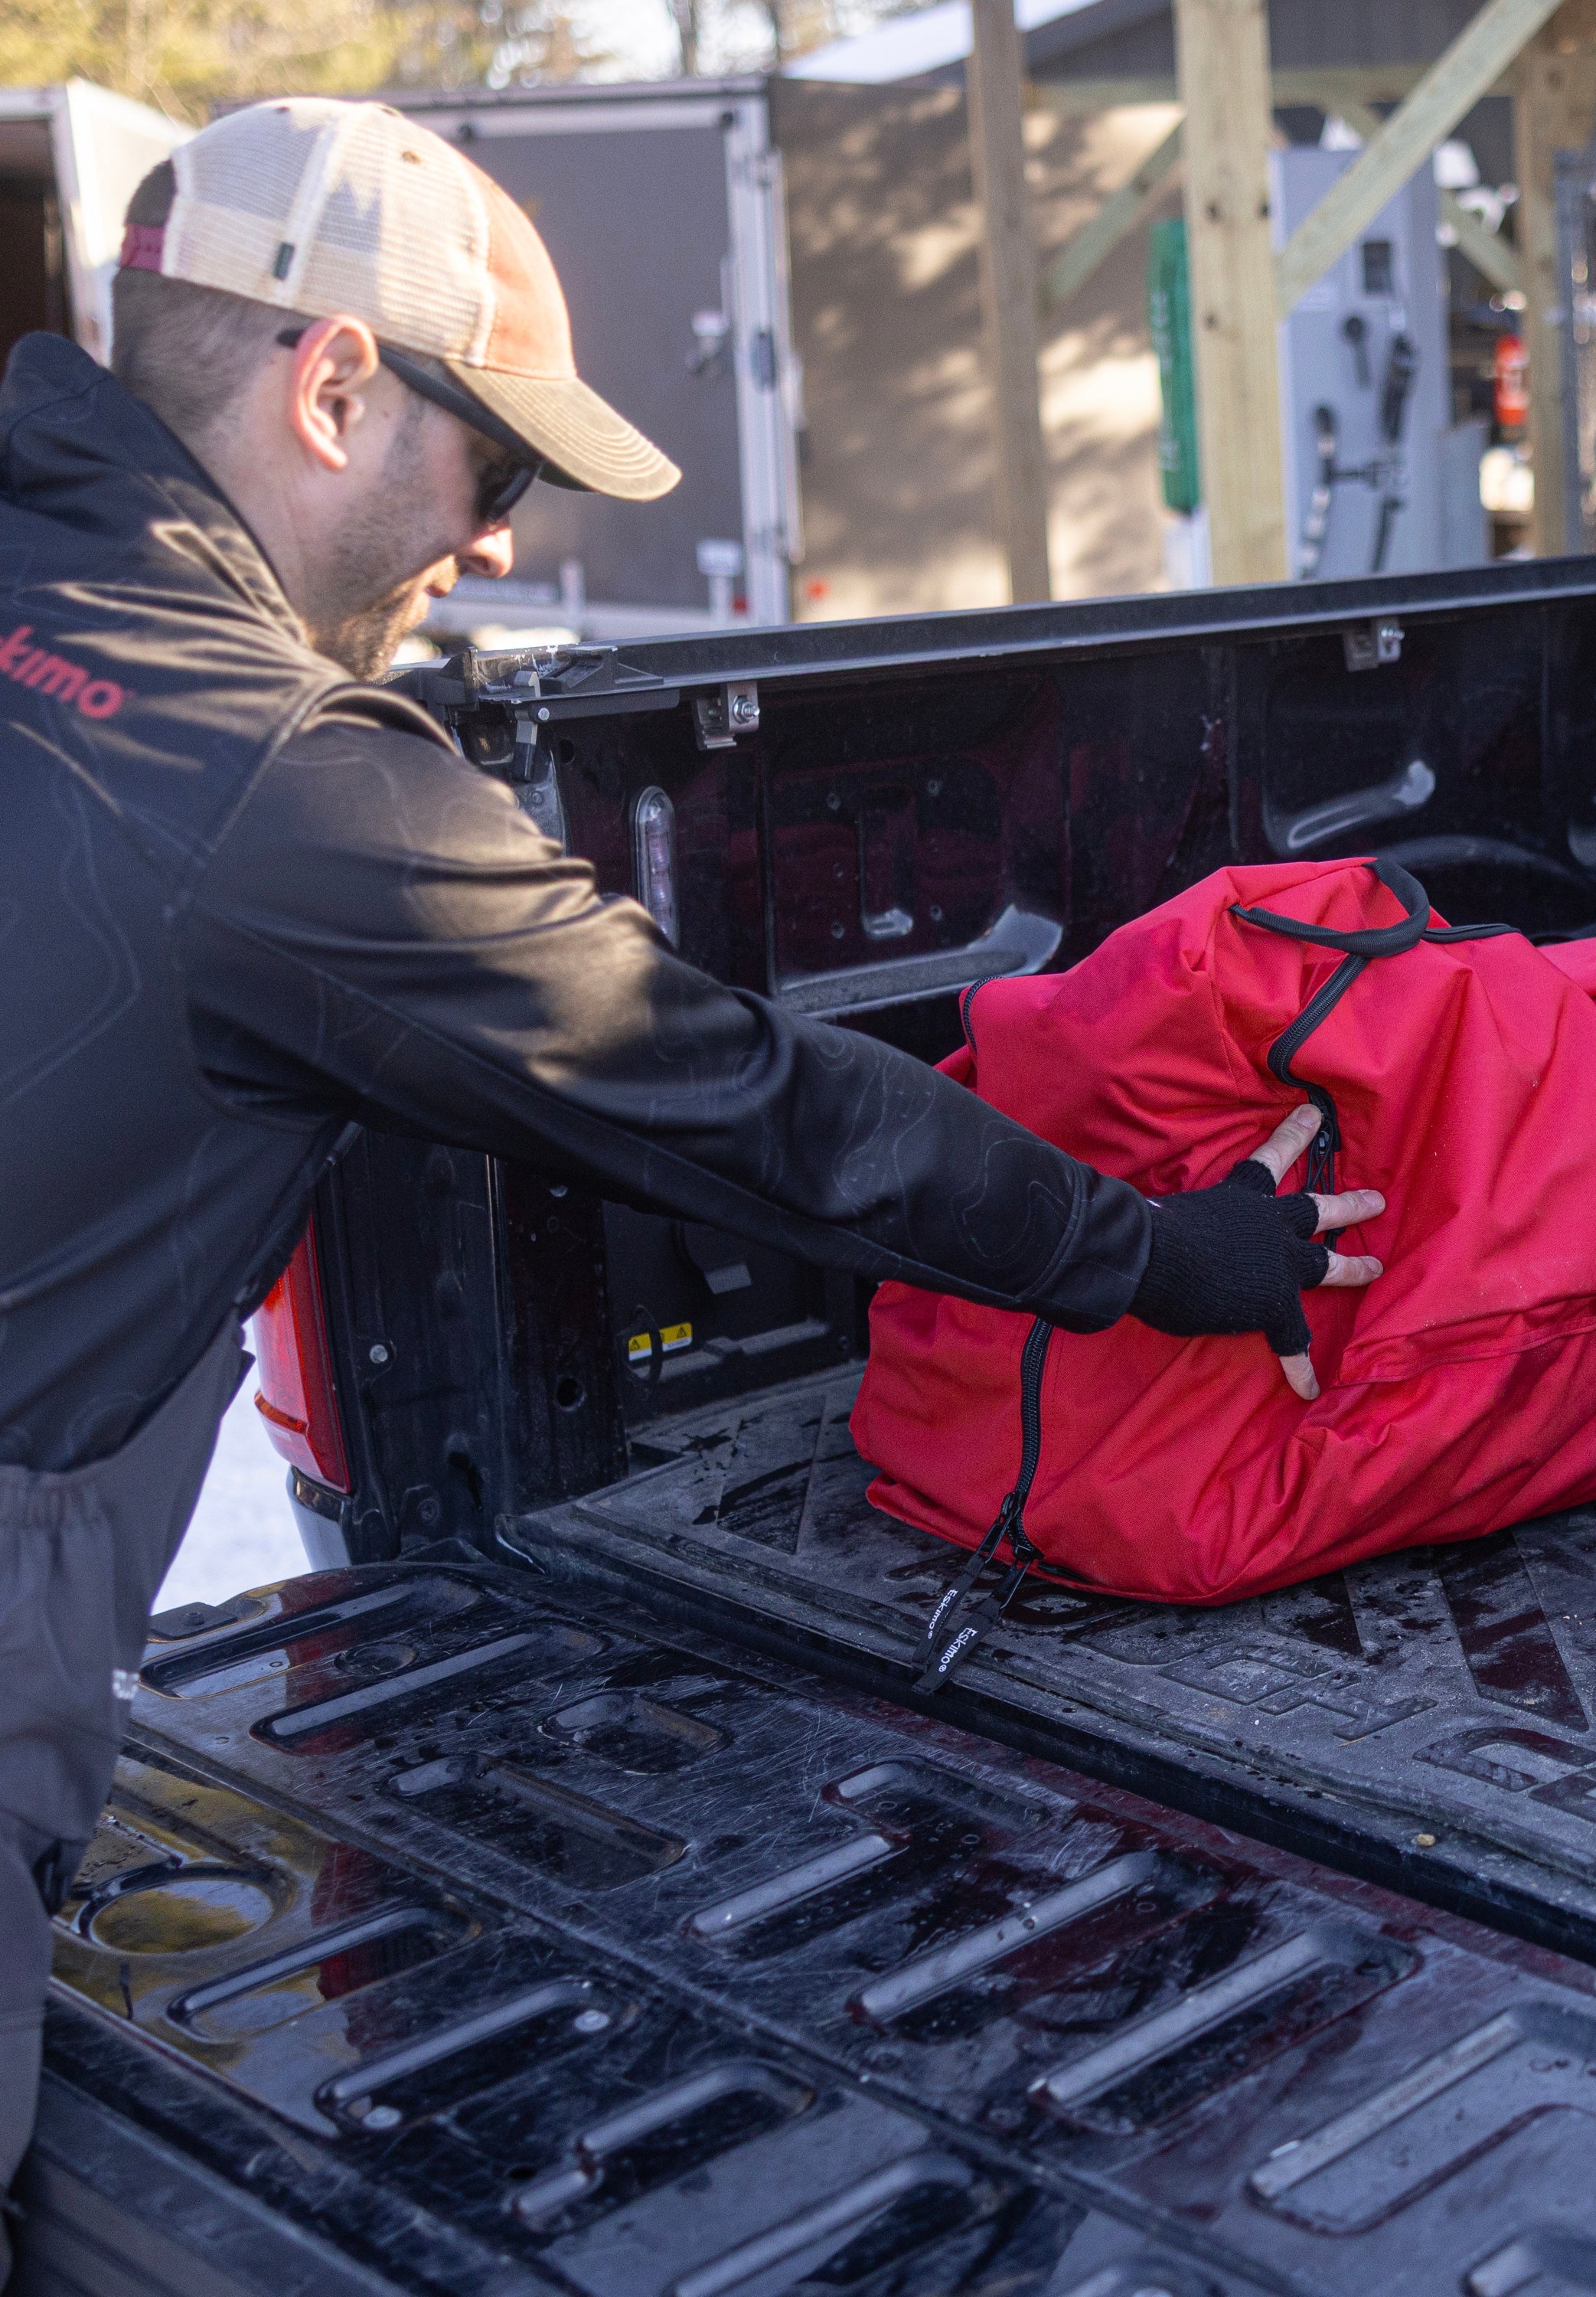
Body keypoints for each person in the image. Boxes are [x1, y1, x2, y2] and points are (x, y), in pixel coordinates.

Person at [0, 96, 1390, 2246]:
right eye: (501, 470)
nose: (494, 549)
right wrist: (1176, 1257)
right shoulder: (274, 789)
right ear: (334, 379)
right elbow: (753, 1105)